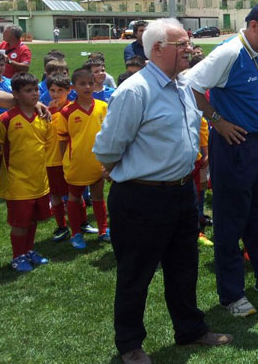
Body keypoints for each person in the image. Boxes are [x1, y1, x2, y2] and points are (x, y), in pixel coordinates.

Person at [93, 18, 232, 364]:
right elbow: (108, 148)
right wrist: (129, 169)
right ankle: (130, 345)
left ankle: (190, 330)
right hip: (141, 197)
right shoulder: (135, 91)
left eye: (187, 43)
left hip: (183, 193)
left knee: (184, 266)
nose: (190, 49)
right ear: (157, 49)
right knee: (135, 274)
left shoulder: (183, 84)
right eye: (181, 44)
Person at [185, 0, 258, 319]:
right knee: (230, 219)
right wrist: (217, 121)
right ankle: (232, 293)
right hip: (233, 144)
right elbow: (191, 86)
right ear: (252, 25)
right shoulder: (229, 52)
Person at [0, 73, 54, 273]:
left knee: (32, 219)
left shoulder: (43, 117)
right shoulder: (5, 119)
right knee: (19, 223)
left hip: (38, 180)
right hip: (17, 182)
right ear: (15, 94)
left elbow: (46, 145)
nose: (34, 94)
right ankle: (17, 256)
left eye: (35, 90)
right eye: (28, 91)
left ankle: (28, 250)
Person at [55, 67, 110, 248]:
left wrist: (108, 162)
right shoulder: (67, 112)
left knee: (98, 197)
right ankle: (76, 233)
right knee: (74, 197)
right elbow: (62, 140)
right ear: (73, 87)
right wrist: (65, 160)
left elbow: (109, 136)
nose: (87, 87)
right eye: (82, 84)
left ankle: (103, 230)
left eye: (90, 83)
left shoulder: (103, 107)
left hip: (97, 163)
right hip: (76, 163)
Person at [46, 74, 72, 242]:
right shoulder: (45, 111)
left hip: (71, 159)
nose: (55, 94)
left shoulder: (72, 109)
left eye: (60, 90)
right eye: (52, 90)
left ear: (69, 91)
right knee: (55, 194)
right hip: (52, 159)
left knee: (73, 193)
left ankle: (80, 221)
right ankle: (62, 225)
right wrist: (50, 112)